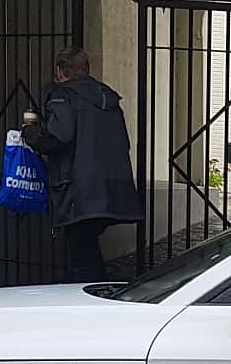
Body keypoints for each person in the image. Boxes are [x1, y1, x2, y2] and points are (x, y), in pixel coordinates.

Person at [20, 47, 141, 281]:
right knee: (87, 248)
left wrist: (30, 133)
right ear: (86, 70)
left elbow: (59, 136)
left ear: (59, 71)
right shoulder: (107, 98)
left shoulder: (63, 95)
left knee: (82, 259)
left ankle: (91, 297)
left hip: (80, 190)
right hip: (111, 188)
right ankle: (96, 290)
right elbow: (123, 142)